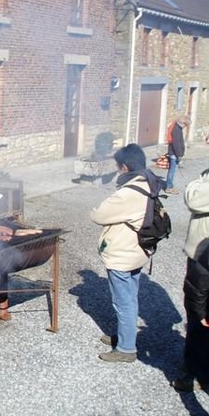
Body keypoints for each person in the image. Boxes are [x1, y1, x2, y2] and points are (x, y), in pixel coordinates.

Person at [90, 143, 166, 363]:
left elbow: (99, 215)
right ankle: (126, 335)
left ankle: (126, 349)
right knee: (130, 297)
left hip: (123, 253)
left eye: (118, 166)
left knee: (123, 301)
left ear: (124, 167)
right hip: (138, 250)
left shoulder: (129, 192)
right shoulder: (148, 180)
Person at [172, 168, 209, 392]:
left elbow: (192, 197)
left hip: (203, 257)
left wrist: (201, 179)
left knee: (199, 314)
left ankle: (195, 372)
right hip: (202, 254)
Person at [165, 116, 191, 195]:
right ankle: (169, 187)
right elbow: (176, 144)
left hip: (174, 153)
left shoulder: (177, 128)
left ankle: (170, 185)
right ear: (183, 123)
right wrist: (179, 155)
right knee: (172, 171)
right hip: (174, 154)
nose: (185, 127)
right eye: (186, 125)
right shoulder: (176, 130)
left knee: (172, 170)